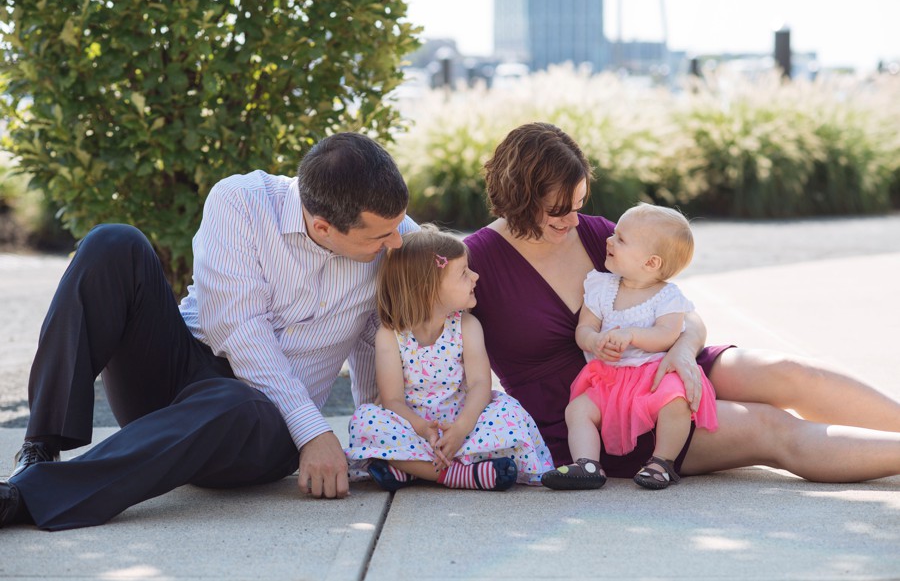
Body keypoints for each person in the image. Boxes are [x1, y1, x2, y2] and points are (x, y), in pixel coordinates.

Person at [0, 132, 418, 531]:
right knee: (113, 243)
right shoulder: (240, 201)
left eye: (398, 226)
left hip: (268, 424)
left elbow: (377, 345)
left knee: (235, 401)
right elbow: (237, 330)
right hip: (178, 380)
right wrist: (317, 428)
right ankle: (39, 448)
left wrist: (374, 444)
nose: (396, 242)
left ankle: (27, 497)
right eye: (382, 235)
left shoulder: (397, 237)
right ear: (324, 226)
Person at [465, 121, 900, 483]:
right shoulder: (475, 262)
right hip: (596, 418)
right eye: (558, 210)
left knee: (791, 371)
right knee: (769, 427)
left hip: (662, 364)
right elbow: (421, 342)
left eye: (578, 204)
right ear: (519, 195)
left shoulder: (599, 235)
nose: (572, 220)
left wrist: (683, 352)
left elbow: (682, 312)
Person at [345, 225, 554, 491]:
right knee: (366, 420)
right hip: (414, 427)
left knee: (509, 412)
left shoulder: (466, 326)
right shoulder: (390, 335)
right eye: (464, 273)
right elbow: (392, 400)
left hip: (462, 423)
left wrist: (462, 428)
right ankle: (457, 474)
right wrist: (422, 429)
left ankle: (408, 469)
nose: (476, 276)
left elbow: (480, 384)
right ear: (429, 289)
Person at [541, 204, 717, 491]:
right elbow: (584, 328)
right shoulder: (601, 287)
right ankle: (587, 464)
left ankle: (662, 462)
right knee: (579, 409)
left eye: (620, 239)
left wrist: (632, 335)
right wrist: (594, 341)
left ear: (651, 263)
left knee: (676, 401)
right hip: (609, 376)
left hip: (652, 375)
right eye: (614, 234)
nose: (608, 241)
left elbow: (667, 335)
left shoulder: (668, 296)